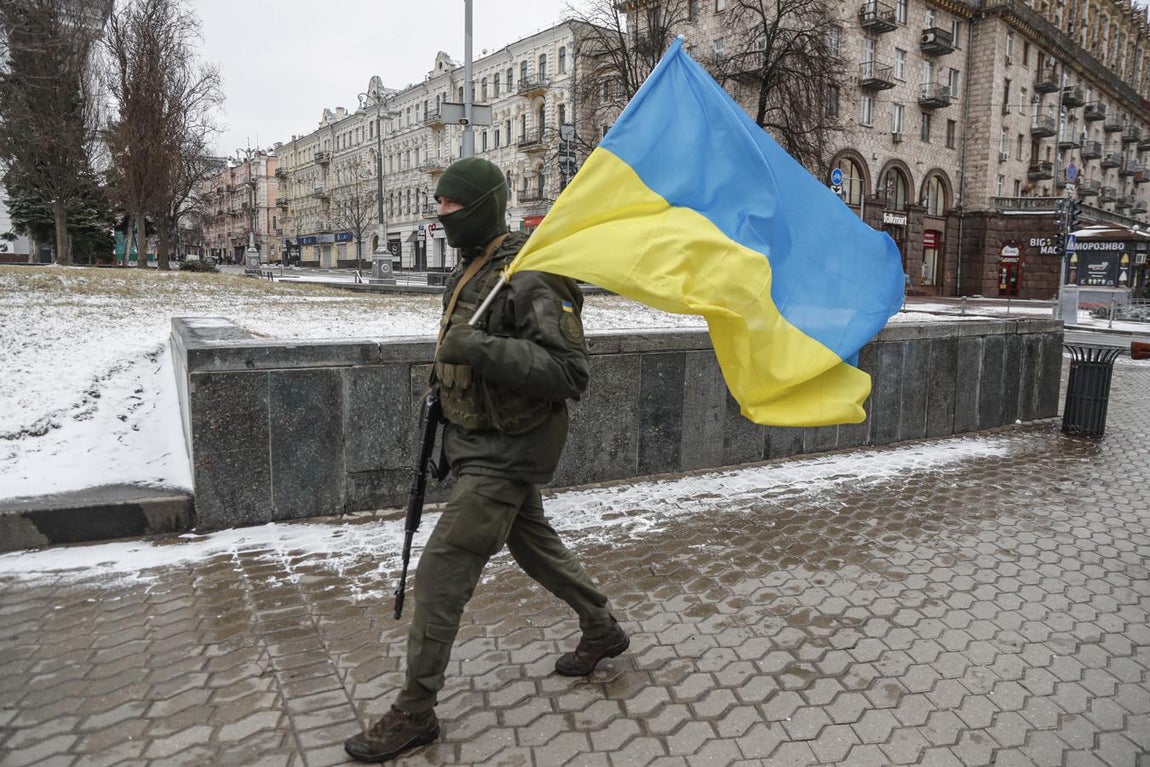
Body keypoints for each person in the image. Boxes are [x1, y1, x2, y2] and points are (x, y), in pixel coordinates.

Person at [344, 157, 628, 764]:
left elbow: (571, 372)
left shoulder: (531, 275)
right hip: (478, 441)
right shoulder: (473, 271)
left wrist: (480, 349)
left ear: (480, 207)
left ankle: (415, 713)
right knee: (534, 544)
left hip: (512, 447)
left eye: (450, 206)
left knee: (442, 570)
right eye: (438, 205)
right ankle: (602, 629)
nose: (440, 215)